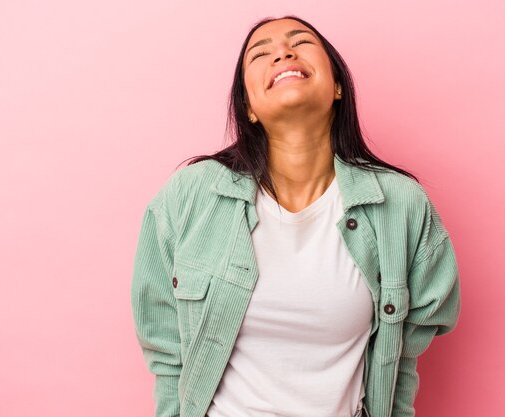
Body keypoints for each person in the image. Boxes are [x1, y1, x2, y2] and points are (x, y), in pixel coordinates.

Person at [131, 15, 461, 417]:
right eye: (261, 53)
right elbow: (165, 349)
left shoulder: (400, 204)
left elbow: (405, 354)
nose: (283, 53)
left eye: (300, 43)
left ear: (337, 85)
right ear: (248, 108)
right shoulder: (190, 196)